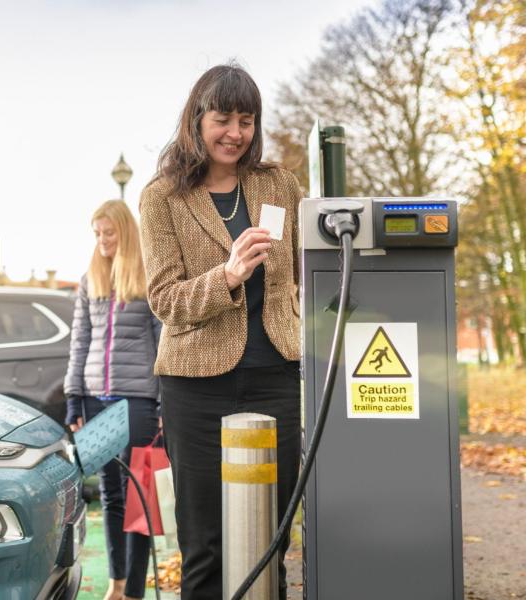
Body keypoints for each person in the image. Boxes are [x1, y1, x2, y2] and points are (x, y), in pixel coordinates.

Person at [137, 63, 303, 600]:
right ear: (196, 120)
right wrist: (228, 274)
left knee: (270, 541)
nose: (235, 133)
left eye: (247, 120)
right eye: (223, 118)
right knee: (206, 545)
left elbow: (302, 270)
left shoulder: (277, 184)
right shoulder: (163, 196)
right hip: (196, 387)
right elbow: (165, 300)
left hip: (276, 376)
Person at [64, 199, 162, 600]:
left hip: (137, 400)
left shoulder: (149, 275)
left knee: (138, 495)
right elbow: (80, 341)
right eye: (98, 234)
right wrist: (74, 397)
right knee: (109, 495)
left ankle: (136, 590)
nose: (103, 241)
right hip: (95, 400)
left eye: (110, 232)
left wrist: (163, 404)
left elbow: (162, 341)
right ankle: (117, 584)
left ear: (126, 231)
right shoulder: (91, 279)